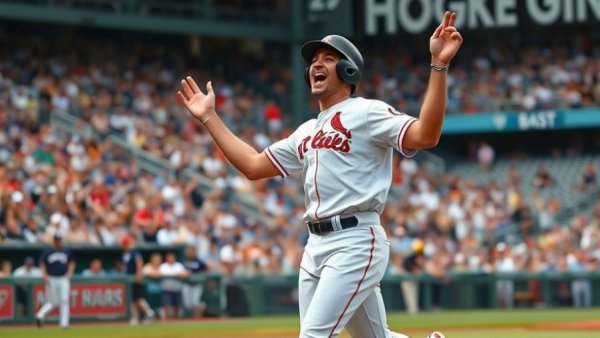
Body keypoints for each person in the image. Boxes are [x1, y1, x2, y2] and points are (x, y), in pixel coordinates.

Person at [177, 11, 462, 338]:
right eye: (314, 60)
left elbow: (427, 135)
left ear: (348, 70)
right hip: (315, 244)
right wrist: (210, 118)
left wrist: (438, 66)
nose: (316, 64)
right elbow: (253, 166)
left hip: (355, 240)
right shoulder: (306, 131)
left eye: (328, 59)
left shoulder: (366, 112)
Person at [35, 233, 75, 329]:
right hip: (52, 278)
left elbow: (72, 262)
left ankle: (64, 323)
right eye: (57, 240)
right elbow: (42, 263)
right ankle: (40, 315)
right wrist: (44, 275)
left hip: (63, 278)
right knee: (52, 302)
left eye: (59, 240)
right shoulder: (48, 251)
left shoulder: (65, 251)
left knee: (64, 300)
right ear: (54, 240)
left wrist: (70, 273)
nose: (58, 241)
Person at [121, 235, 155, 325]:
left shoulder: (134, 252)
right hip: (129, 279)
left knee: (138, 298)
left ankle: (149, 313)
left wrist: (139, 275)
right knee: (132, 299)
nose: (125, 245)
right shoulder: (125, 254)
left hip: (135, 278)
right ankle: (135, 318)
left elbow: (139, 263)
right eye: (124, 244)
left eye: (126, 243)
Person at [159, 252, 189, 319]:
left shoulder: (178, 265)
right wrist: (176, 274)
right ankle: (167, 320)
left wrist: (180, 275)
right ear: (166, 258)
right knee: (167, 306)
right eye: (169, 257)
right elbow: (158, 274)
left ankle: (176, 321)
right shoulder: (163, 266)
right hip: (166, 289)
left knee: (177, 307)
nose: (171, 259)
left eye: (172, 257)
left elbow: (186, 274)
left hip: (177, 289)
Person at [181, 245, 209, 318]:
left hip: (196, 284)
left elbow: (206, 270)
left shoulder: (199, 261)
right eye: (190, 250)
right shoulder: (184, 260)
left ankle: (195, 319)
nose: (192, 252)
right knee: (187, 304)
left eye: (193, 250)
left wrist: (199, 275)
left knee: (195, 303)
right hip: (186, 284)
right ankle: (189, 318)